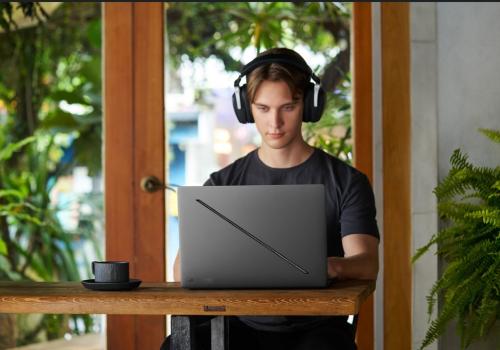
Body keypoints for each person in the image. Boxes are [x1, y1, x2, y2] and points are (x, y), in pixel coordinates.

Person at [163, 47, 379, 350]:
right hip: (238, 323)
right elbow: (182, 271)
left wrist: (329, 266)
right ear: (246, 108)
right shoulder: (222, 184)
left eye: (287, 107)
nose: (274, 122)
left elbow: (367, 263)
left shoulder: (346, 182)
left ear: (309, 105)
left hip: (316, 327)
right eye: (262, 108)